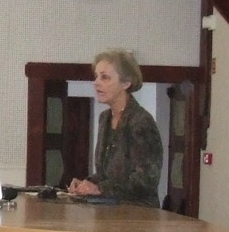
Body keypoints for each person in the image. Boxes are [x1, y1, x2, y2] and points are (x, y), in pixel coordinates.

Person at [68, 48, 164, 206]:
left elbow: (146, 180)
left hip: (138, 213)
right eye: (96, 76)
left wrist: (99, 188)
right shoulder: (104, 118)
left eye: (105, 77)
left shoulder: (141, 121)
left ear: (126, 83)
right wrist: (87, 183)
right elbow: (106, 175)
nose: (96, 82)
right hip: (108, 211)